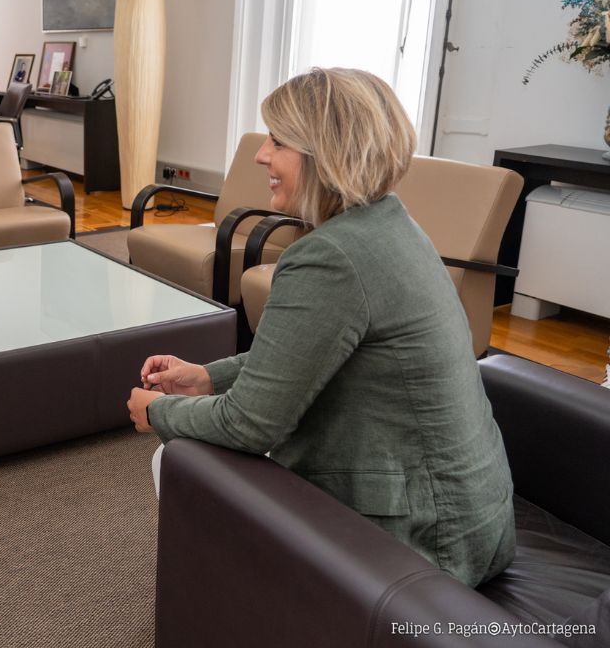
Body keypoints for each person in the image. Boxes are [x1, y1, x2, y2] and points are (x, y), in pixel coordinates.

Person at [127, 67, 516, 587]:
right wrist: (206, 378)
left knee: (176, 456)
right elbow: (309, 351)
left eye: (278, 141)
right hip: (477, 521)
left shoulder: (329, 256)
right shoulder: (390, 222)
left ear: (325, 151)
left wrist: (160, 411)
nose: (262, 154)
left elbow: (249, 426)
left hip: (427, 543)